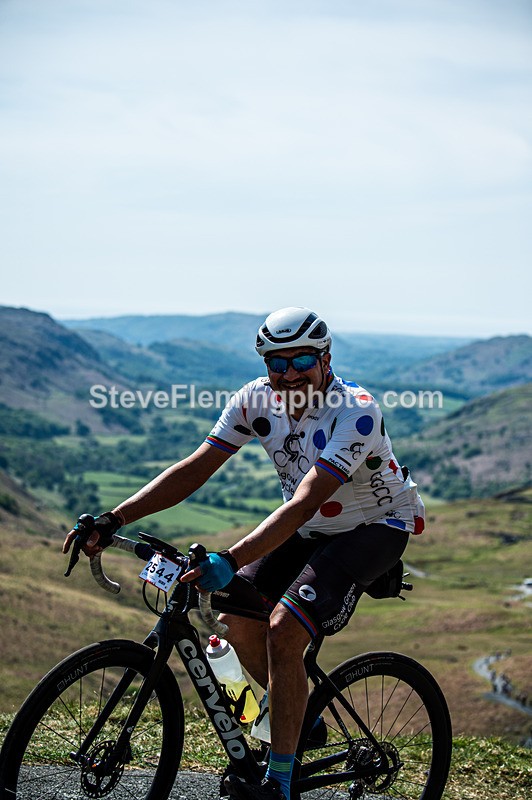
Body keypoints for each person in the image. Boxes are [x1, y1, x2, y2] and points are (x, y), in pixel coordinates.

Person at [63, 307, 425, 800]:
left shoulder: (355, 410)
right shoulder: (255, 400)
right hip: (311, 525)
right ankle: (302, 718)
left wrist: (230, 558)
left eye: (301, 359)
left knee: (284, 627)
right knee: (234, 616)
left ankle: (278, 782)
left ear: (326, 358)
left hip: (375, 526)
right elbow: (195, 468)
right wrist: (115, 518)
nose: (289, 373)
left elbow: (303, 503)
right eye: (278, 363)